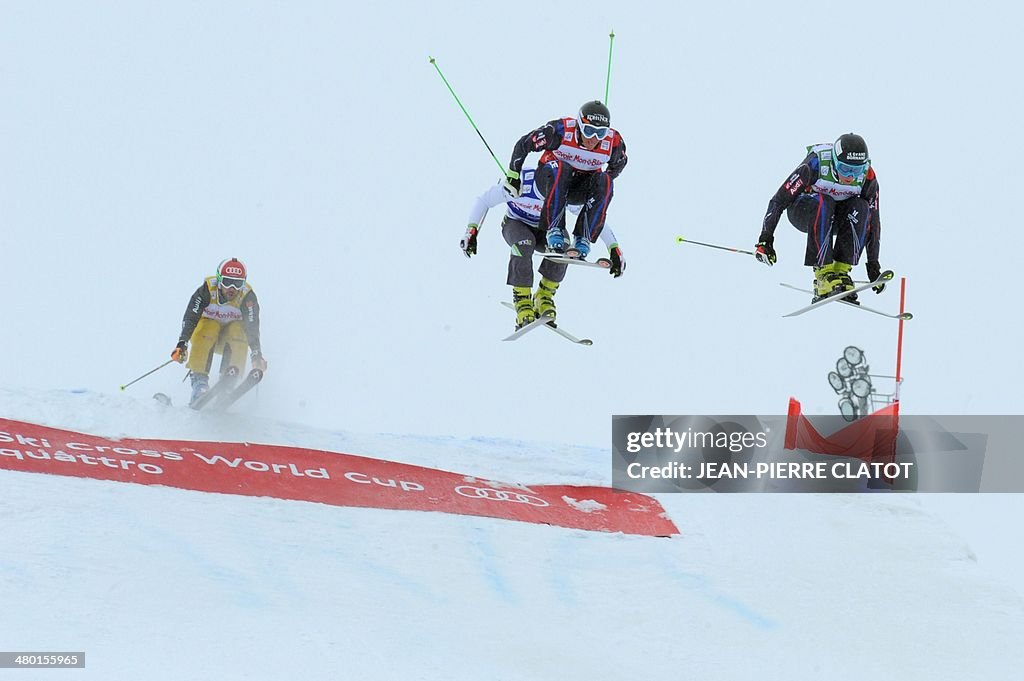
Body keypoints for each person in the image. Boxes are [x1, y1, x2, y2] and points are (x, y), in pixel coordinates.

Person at [461, 166, 625, 329]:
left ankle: (544, 295)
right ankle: (522, 299)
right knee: (524, 243)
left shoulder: (564, 192)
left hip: (544, 229)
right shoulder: (521, 184)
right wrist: (471, 231)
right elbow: (484, 200)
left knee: (563, 246)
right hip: (516, 223)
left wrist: (613, 248)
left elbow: (593, 216)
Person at [753, 133, 886, 303]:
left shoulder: (867, 176)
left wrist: (873, 264)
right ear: (834, 161)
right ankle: (823, 274)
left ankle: (840, 271)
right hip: (804, 211)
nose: (850, 177)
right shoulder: (816, 164)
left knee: (861, 207)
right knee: (825, 201)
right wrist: (766, 239)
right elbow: (780, 199)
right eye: (845, 169)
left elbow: (873, 221)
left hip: (836, 219)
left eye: (857, 170)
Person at [504, 100, 627, 261]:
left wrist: (598, 192)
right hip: (548, 180)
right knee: (562, 168)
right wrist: (513, 175)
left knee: (606, 180)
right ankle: (554, 229)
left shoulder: (613, 142)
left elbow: (617, 166)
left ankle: (584, 236)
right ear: (579, 125)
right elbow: (524, 144)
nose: (593, 139)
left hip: (578, 188)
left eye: (600, 133)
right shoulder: (560, 130)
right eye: (589, 131)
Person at [170, 258, 268, 404]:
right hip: (204, 337)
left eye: (238, 283)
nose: (232, 288)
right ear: (219, 280)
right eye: (228, 282)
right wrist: (182, 344)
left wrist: (256, 354)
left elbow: (252, 327)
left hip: (229, 341)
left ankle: (228, 383)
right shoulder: (207, 291)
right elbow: (191, 317)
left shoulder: (247, 297)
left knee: (239, 330)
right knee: (211, 326)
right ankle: (199, 384)